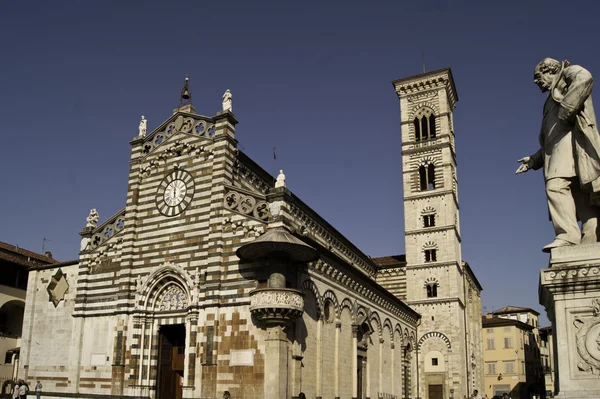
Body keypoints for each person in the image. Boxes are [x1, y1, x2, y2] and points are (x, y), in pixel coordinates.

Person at [516, 58, 600, 252]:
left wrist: (567, 108)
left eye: (538, 76)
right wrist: (533, 160)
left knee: (555, 186)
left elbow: (585, 77)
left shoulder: (567, 75)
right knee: (580, 194)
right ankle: (590, 240)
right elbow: (550, 140)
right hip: (559, 150)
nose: (536, 82)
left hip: (573, 145)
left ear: (550, 70)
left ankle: (567, 235)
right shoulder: (549, 100)